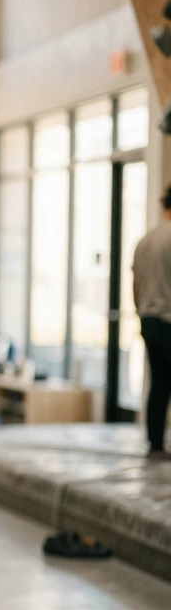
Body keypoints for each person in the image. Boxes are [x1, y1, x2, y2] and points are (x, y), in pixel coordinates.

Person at [132, 185, 171, 459]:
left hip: (149, 321)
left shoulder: (145, 240)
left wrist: (141, 313)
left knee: (159, 384)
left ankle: (155, 443)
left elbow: (134, 284)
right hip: (169, 320)